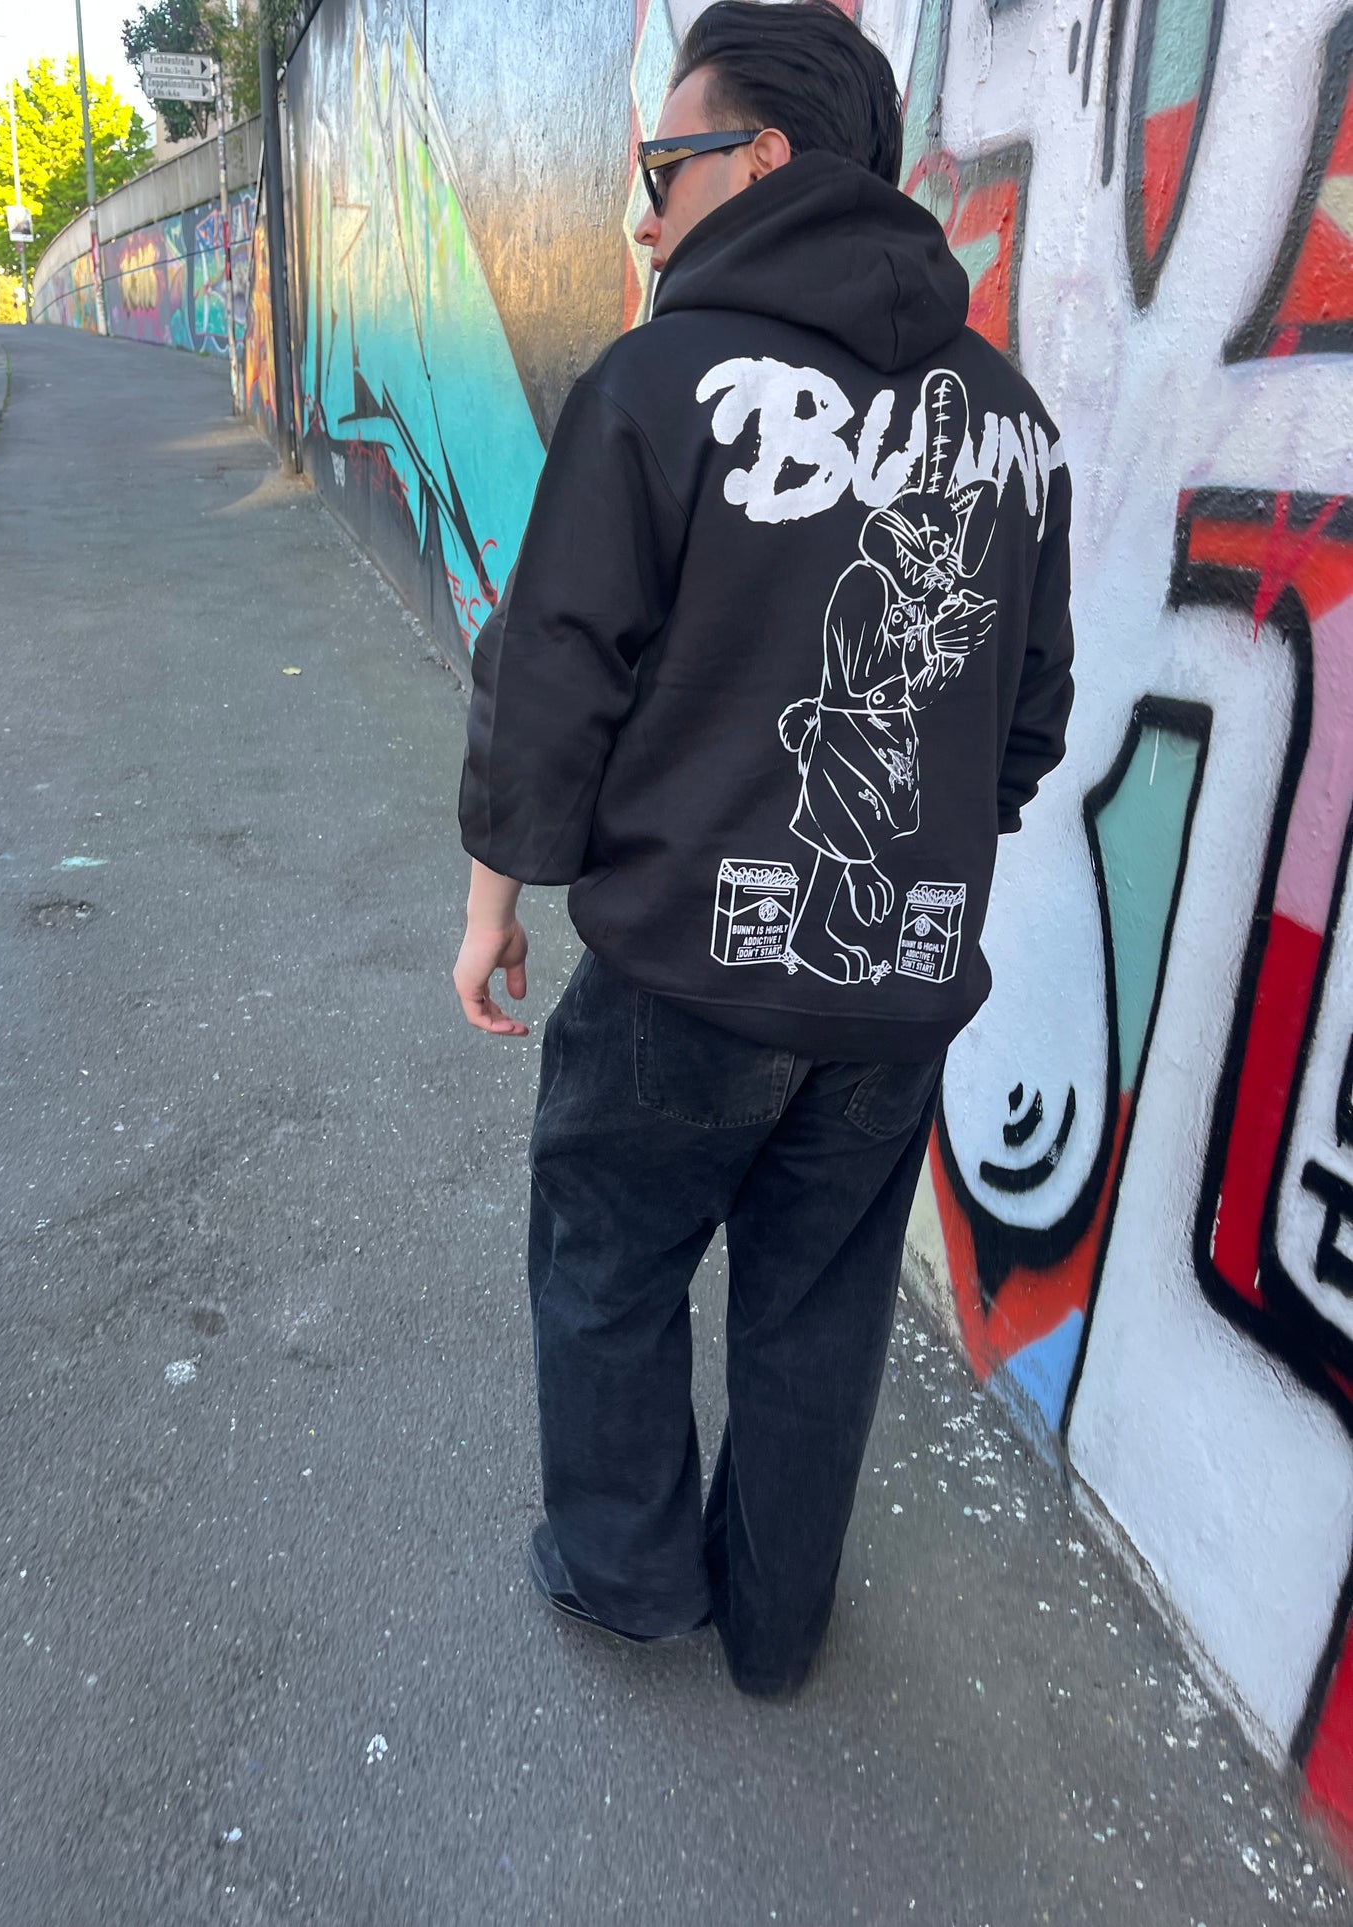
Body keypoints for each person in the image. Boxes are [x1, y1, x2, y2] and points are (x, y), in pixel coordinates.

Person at [454, 0, 1073, 1699]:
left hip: (679, 974)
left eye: (662, 166)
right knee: (818, 1311)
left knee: (608, 1269)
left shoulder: (659, 383)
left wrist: (495, 900)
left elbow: (552, 667)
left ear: (763, 158)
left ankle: (628, 1574)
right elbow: (1026, 721)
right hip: (897, 986)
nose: (643, 210)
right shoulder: (1011, 425)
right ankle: (775, 1628)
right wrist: (918, 866)